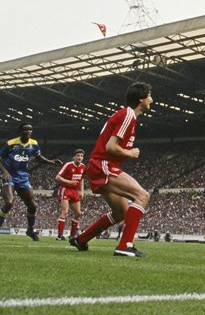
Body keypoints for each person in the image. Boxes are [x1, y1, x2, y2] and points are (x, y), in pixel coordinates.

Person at [69, 82, 152, 257]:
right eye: (149, 95)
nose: (152, 99)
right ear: (141, 99)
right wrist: (130, 153)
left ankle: (81, 239)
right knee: (142, 196)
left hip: (100, 165)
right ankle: (124, 245)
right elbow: (111, 146)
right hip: (103, 164)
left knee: (121, 212)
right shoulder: (128, 115)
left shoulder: (127, 116)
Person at [0, 123, 63, 240]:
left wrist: (51, 162)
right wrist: (5, 172)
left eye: (30, 129)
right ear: (20, 131)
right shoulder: (11, 144)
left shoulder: (33, 144)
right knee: (9, 202)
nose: (28, 131)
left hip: (23, 178)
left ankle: (30, 230)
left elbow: (38, 158)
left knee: (33, 206)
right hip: (9, 177)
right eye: (25, 129)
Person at [54, 148, 86, 240]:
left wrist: (81, 190)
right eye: (78, 156)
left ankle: (72, 235)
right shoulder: (68, 165)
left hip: (75, 191)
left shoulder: (83, 167)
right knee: (65, 211)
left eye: (81, 156)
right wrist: (69, 182)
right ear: (74, 157)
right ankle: (60, 235)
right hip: (65, 189)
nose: (79, 157)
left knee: (78, 213)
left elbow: (82, 178)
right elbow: (57, 177)